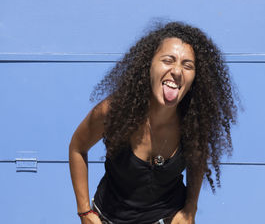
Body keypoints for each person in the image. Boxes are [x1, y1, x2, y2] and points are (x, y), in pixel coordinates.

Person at [69, 21, 239, 224]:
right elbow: (77, 148)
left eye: (187, 65)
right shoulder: (114, 111)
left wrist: (189, 209)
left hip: (167, 217)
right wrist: (85, 212)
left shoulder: (194, 121)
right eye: (168, 60)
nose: (177, 71)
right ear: (148, 65)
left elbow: (197, 160)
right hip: (109, 218)